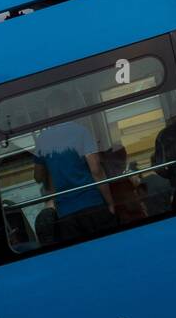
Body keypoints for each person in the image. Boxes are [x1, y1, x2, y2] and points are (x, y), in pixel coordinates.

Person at [33, 91, 115, 244]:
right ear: (66, 108)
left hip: (66, 213)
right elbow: (96, 170)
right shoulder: (81, 131)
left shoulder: (42, 140)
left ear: (49, 112)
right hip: (93, 204)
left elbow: (37, 177)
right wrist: (110, 203)